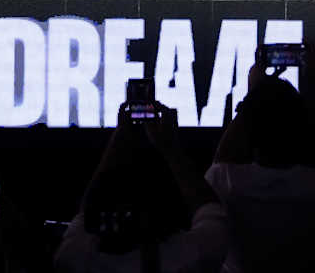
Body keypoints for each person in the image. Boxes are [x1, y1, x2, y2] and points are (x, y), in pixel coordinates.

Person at [205, 43, 315, 273]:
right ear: (303, 129)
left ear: (251, 131)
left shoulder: (228, 184)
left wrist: (253, 98)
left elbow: (222, 158)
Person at [56, 104, 229, 273]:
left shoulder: (78, 257)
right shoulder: (191, 256)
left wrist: (119, 136)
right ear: (165, 203)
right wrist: (170, 147)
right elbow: (211, 209)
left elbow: (86, 214)